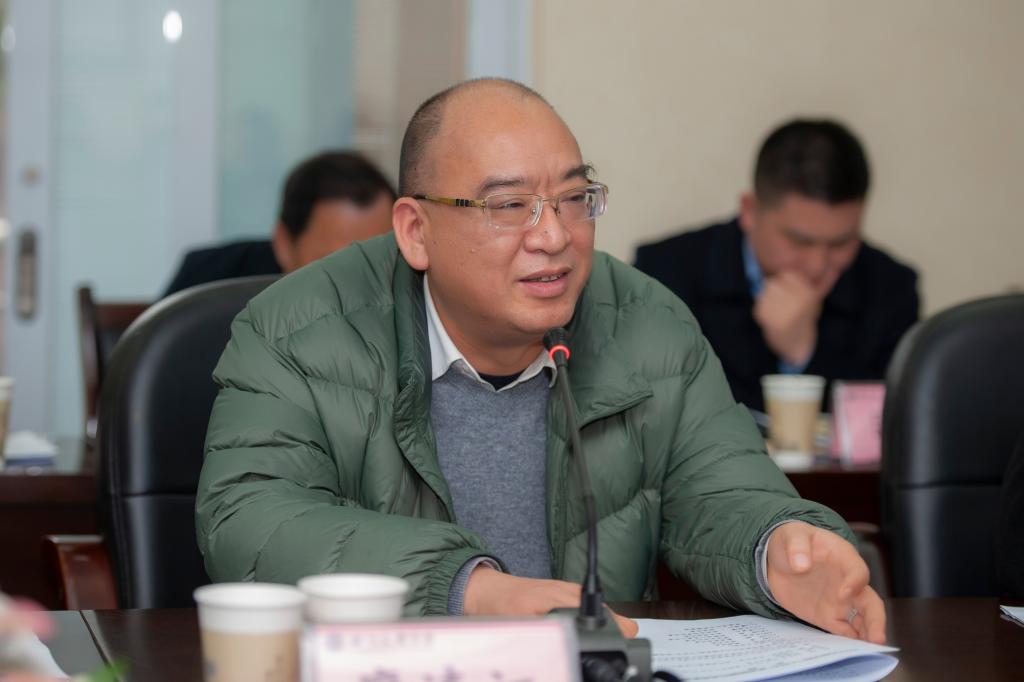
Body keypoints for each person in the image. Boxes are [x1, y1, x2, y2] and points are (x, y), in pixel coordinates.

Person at [195, 79, 885, 643]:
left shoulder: (647, 323)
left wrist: (778, 549)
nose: (554, 236)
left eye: (574, 199)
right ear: (415, 230)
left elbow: (722, 490)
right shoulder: (298, 330)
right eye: (509, 205)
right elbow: (249, 518)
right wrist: (468, 590)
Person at [635, 120, 919, 412]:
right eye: (800, 241)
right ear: (750, 211)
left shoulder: (891, 289)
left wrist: (804, 354)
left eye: (840, 243)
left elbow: (890, 421)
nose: (817, 265)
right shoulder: (662, 274)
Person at [163, 151, 395, 296]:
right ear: (284, 244)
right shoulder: (205, 287)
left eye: (374, 264)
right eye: (334, 265)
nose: (356, 285)